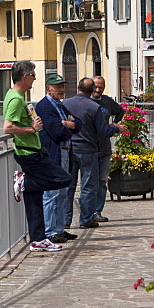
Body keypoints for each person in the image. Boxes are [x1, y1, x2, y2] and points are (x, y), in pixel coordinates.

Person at [3, 61, 72, 253]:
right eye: (33, 75)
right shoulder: (16, 99)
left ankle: (38, 239)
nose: (35, 78)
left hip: (30, 151)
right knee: (63, 178)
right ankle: (24, 181)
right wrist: (32, 128)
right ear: (25, 77)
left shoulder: (15, 95)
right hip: (29, 153)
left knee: (34, 199)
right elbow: (8, 127)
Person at [64, 77, 123, 229]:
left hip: (69, 149)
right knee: (88, 186)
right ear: (91, 91)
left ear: (78, 87)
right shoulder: (93, 107)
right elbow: (103, 131)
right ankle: (85, 219)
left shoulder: (65, 104)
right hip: (88, 150)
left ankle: (65, 220)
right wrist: (116, 128)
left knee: (68, 186)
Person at [35, 74, 81, 244]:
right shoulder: (45, 106)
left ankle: (59, 229)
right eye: (58, 87)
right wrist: (69, 126)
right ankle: (50, 231)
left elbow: (79, 124)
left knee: (63, 192)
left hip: (66, 151)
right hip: (54, 152)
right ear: (49, 88)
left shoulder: (60, 106)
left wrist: (70, 124)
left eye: (63, 86)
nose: (62, 90)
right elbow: (56, 131)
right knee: (51, 194)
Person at [91, 76, 124, 223]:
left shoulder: (107, 101)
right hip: (89, 147)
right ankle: (88, 212)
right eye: (96, 87)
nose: (98, 90)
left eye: (101, 87)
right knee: (90, 182)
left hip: (104, 147)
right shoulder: (86, 101)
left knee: (102, 180)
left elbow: (120, 111)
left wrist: (114, 124)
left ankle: (98, 211)